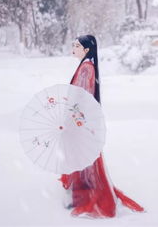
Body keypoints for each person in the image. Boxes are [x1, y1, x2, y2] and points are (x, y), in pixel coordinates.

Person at [58, 34, 145, 218]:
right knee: (81, 156)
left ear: (86, 50)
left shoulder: (86, 68)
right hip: (80, 119)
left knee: (82, 156)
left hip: (80, 120)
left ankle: (85, 194)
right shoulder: (85, 65)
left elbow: (83, 95)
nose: (73, 48)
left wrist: (72, 116)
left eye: (76, 46)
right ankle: (79, 192)